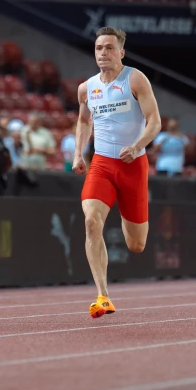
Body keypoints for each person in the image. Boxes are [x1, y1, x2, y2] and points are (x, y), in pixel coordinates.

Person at [72, 26, 162, 319]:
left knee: (136, 245)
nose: (103, 53)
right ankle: (102, 295)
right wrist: (78, 154)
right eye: (99, 48)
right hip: (101, 164)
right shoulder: (87, 88)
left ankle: (127, 215)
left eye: (110, 48)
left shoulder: (134, 79)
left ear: (121, 52)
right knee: (91, 222)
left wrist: (137, 146)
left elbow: (154, 121)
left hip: (133, 166)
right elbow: (84, 121)